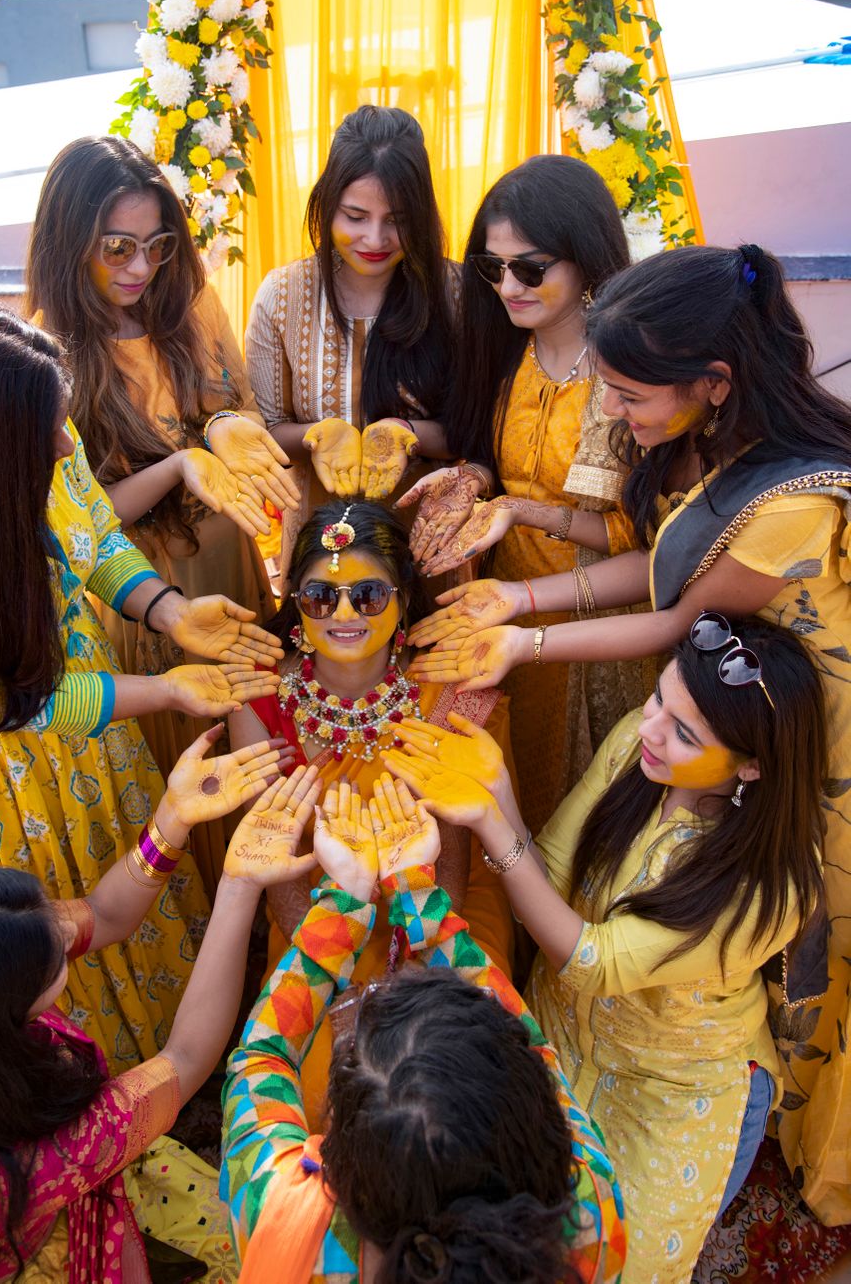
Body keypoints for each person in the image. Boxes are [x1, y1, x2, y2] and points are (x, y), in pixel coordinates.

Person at [410, 243, 851, 1225]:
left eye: (627, 394)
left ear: (713, 382)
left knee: (805, 921)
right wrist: (514, 597)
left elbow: (674, 620)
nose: (612, 412)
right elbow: (658, 564)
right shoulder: (711, 442)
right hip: (729, 703)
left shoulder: (792, 502)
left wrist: (517, 641)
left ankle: (792, 1124)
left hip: (805, 734)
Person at [0, 302, 281, 1067]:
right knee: (37, 938)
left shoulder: (48, 445)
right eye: (48, 434)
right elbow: (22, 706)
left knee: (121, 897)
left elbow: (96, 541)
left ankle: (166, 1062)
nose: (65, 444)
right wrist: (169, 691)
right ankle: (83, 1093)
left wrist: (171, 611)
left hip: (89, 729)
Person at [389, 616, 825, 1283]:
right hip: (557, 1031)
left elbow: (595, 962)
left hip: (673, 1085)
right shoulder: (635, 746)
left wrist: (487, 820)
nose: (650, 728)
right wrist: (494, 785)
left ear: (752, 765)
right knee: (491, 1227)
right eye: (658, 700)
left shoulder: (768, 888)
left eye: (683, 732)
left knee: (615, 1265)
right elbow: (554, 868)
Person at [0, 733, 321, 1284]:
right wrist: (240, 886)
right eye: (56, 956)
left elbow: (104, 910)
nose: (66, 930)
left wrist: (174, 815)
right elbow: (187, 1057)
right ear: (4, 1026)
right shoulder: (37, 1159)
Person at [221, 774, 627, 1283]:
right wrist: (416, 893)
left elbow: (261, 1056)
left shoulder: (282, 1219)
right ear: (532, 1126)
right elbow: (535, 1050)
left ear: (339, 1153)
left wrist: (345, 901)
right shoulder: (589, 1224)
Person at [27, 135, 299, 894]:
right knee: (182, 765)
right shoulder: (50, 353)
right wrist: (178, 467)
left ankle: (267, 912)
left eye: (156, 246)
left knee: (254, 745)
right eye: (117, 249)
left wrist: (216, 434)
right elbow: (77, 519)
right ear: (69, 241)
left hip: (226, 562)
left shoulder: (188, 310)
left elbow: (227, 409)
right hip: (139, 591)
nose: (140, 270)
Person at [228, 499, 515, 1128]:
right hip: (318, 906)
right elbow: (273, 855)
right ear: (297, 605)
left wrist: (419, 969)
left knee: (452, 1077)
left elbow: (458, 843)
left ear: (404, 601)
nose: (346, 615)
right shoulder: (260, 693)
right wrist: (341, 985)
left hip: (441, 906)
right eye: (320, 597)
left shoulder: (443, 687)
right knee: (315, 1096)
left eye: (368, 595)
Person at [397, 155, 643, 832]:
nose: (507, 286)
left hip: (604, 625)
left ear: (585, 258)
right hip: (503, 613)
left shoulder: (631, 371)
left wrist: (519, 511)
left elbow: (647, 538)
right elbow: (495, 458)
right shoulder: (506, 351)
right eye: (492, 268)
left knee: (594, 817)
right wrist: (473, 480)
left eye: (530, 269)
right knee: (518, 804)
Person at [244, 105, 458, 577]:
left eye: (396, 219)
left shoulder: (453, 293)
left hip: (425, 541)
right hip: (319, 545)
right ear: (326, 203)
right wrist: (318, 438)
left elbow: (474, 430)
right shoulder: (283, 296)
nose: (374, 238)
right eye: (356, 216)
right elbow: (266, 428)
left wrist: (405, 435)